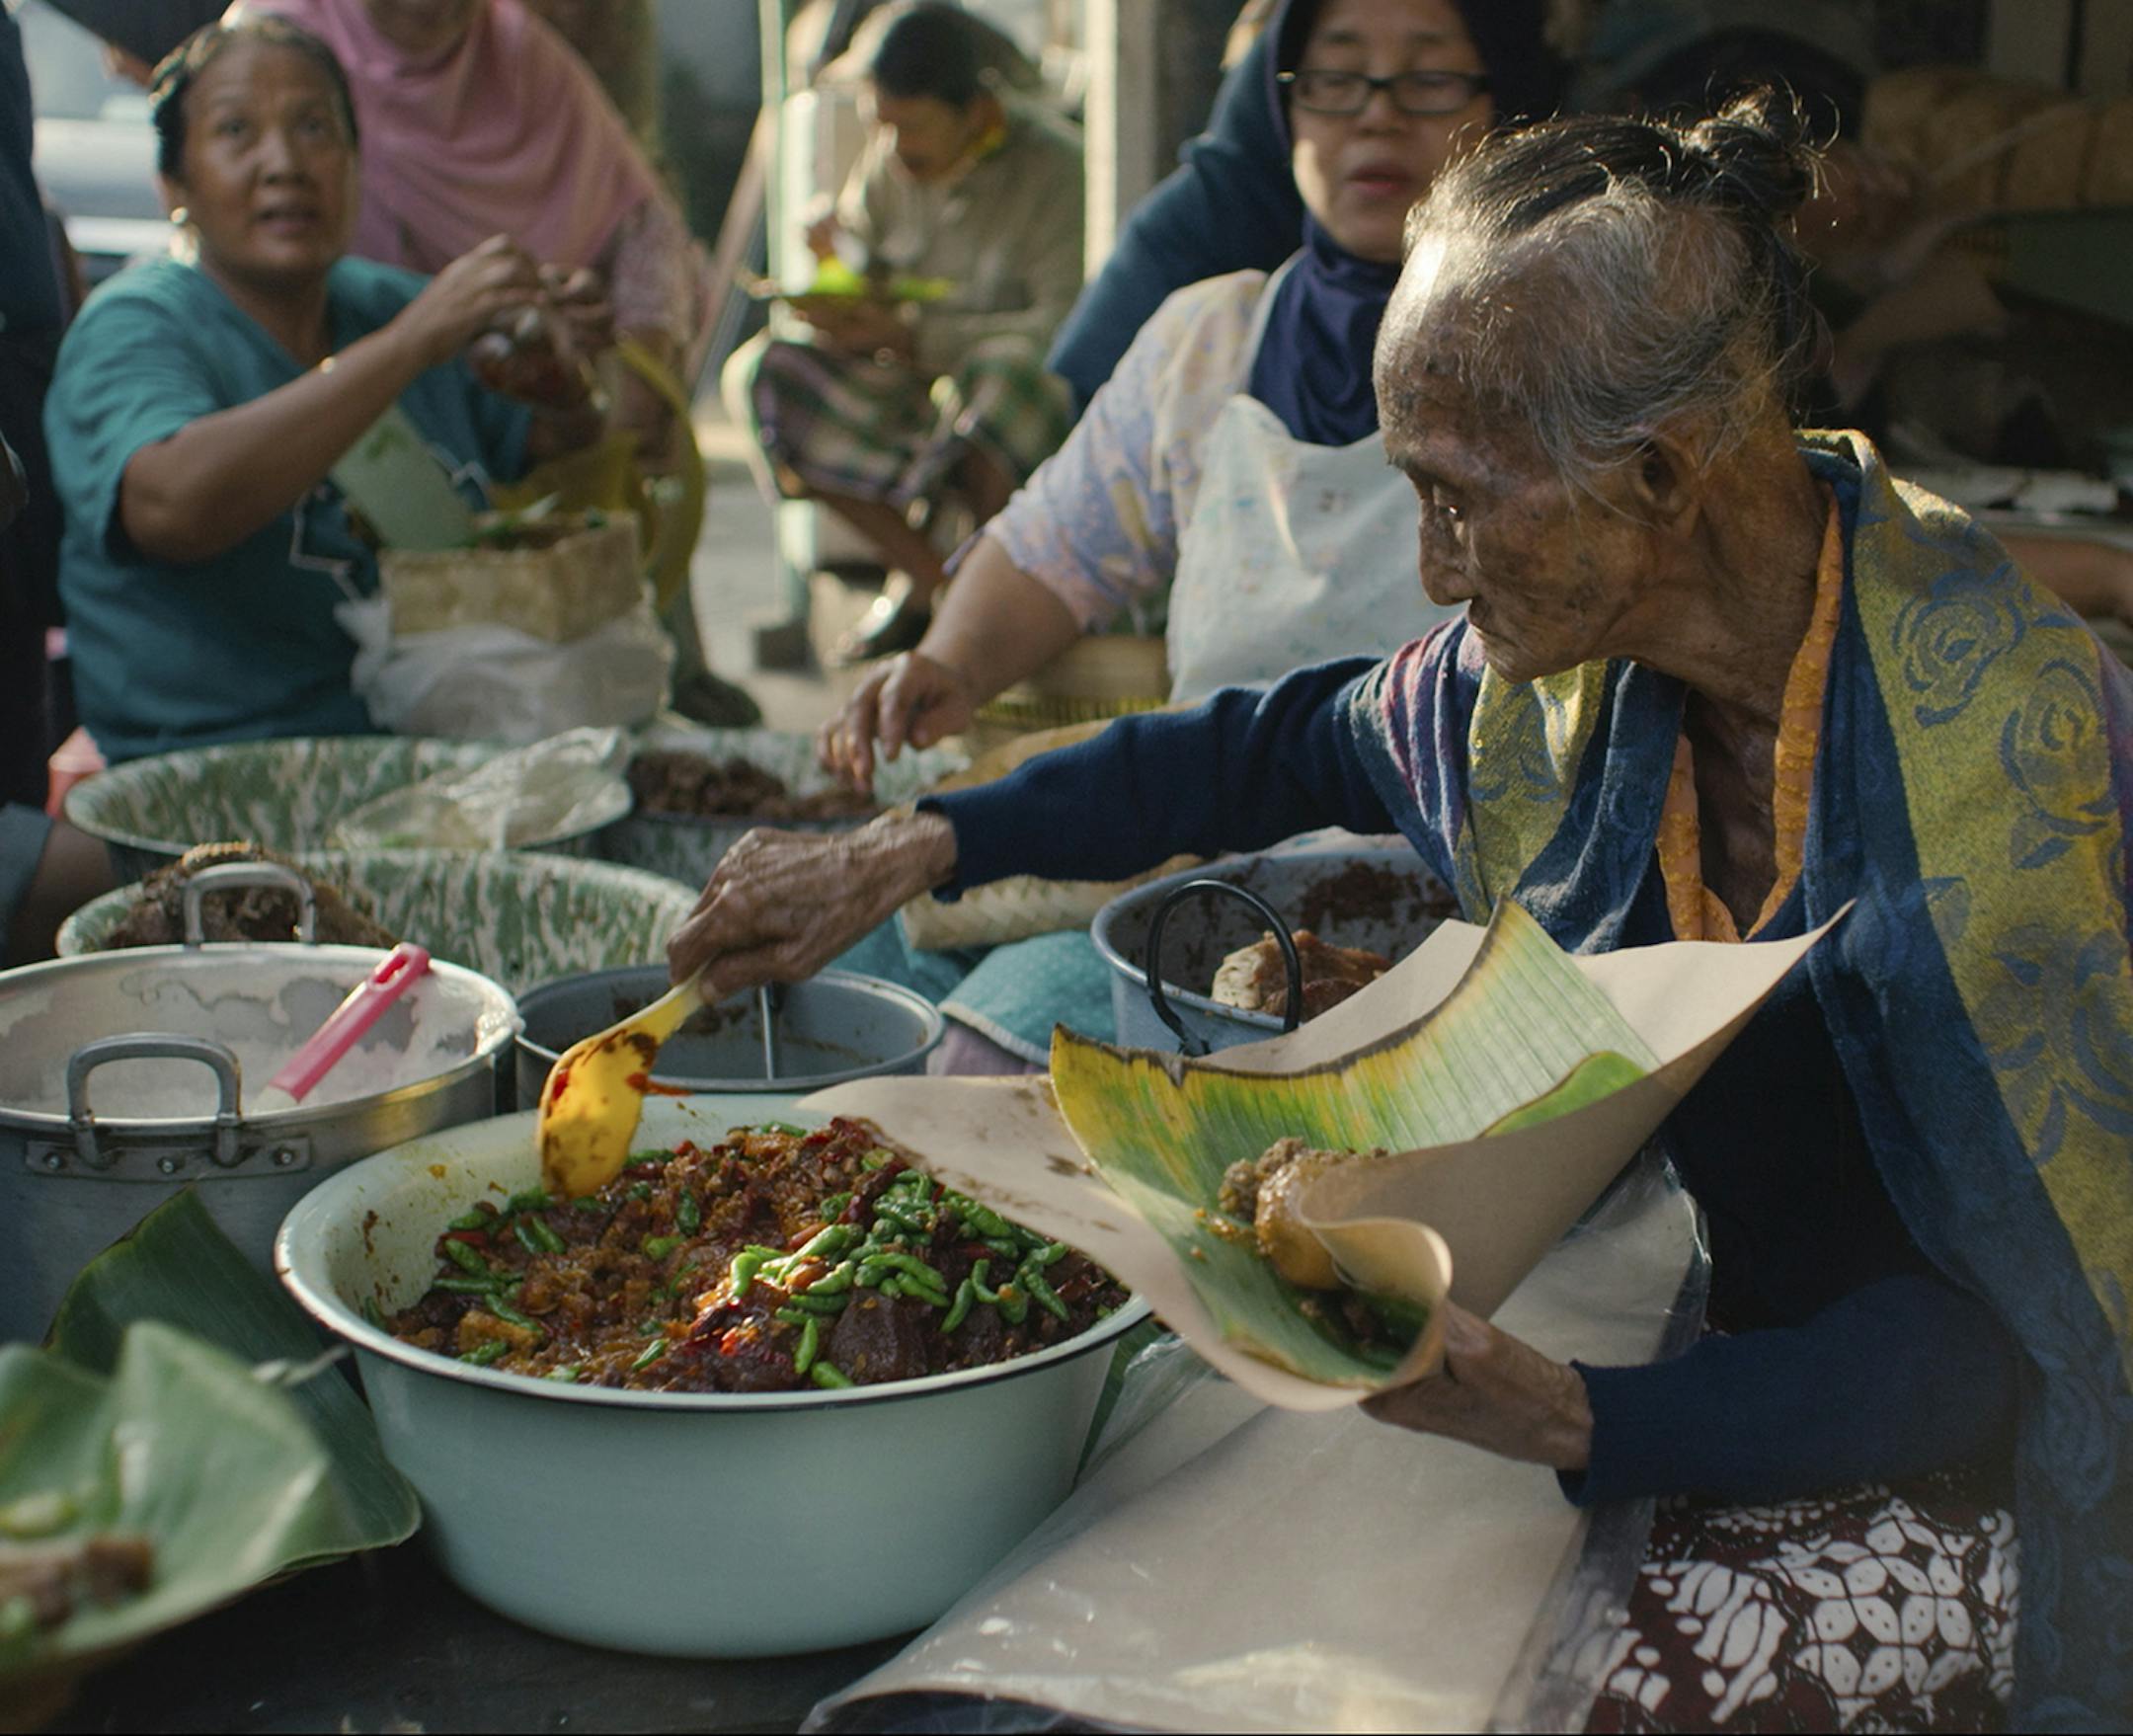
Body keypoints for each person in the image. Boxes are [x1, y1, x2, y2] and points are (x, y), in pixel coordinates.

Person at [670, 99, 2133, 1728]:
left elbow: (2006, 1332)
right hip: (1719, 1341)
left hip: (1952, 1442)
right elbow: (1278, 735)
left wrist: (1589, 1420)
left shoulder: (2005, 777)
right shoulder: (1574, 692)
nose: (1432, 572)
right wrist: (915, 842)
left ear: (1658, 477)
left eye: (1456, 498)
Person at [814, 0, 1545, 1073]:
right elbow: (1055, 543)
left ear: (1507, 113)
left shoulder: (1555, 366)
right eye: (1335, 78)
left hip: (1443, 918)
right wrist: (949, 662)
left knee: (970, 1068)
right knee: (850, 968)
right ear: (1280, 115)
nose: (1376, 119)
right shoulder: (1209, 339)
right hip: (1193, 858)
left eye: (1431, 78)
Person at [42, 14, 601, 763]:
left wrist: (563, 384)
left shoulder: (387, 303)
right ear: (174, 183)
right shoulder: (137, 330)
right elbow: (168, 504)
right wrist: (406, 348)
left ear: (354, 162)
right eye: (238, 132)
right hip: (220, 776)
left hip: (432, 750)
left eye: (314, 128)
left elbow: (555, 440)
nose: (285, 164)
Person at [723, 0, 1086, 663]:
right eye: (880, 125)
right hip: (908, 398)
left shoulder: (1057, 170)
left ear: (975, 111)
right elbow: (869, 270)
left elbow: (1065, 326)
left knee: (1006, 374)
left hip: (1000, 411)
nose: (893, 147)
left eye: (911, 127)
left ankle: (991, 599)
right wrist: (833, 277)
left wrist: (917, 336)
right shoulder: (891, 166)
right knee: (764, 372)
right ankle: (937, 582)